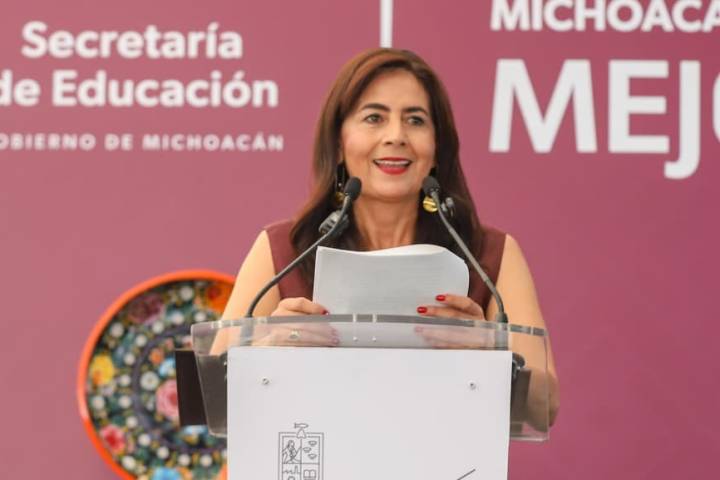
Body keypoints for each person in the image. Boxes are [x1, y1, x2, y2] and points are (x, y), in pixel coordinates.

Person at [220, 48, 559, 426]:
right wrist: (267, 352)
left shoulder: (490, 254)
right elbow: (213, 393)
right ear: (339, 144)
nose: (396, 136)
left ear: (437, 149)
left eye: (415, 120)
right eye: (374, 118)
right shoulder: (284, 249)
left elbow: (544, 408)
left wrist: (488, 351)